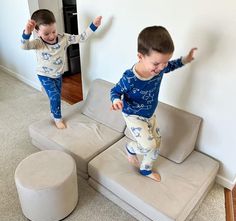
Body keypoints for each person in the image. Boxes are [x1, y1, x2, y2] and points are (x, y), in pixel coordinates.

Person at [110, 26, 197, 182]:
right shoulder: (130, 78)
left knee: (156, 143)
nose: (161, 68)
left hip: (149, 114)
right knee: (148, 145)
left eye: (165, 62)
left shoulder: (160, 67)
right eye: (156, 64)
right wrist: (116, 100)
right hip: (133, 115)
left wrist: (185, 59)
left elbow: (171, 66)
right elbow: (115, 91)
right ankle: (130, 148)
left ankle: (145, 169)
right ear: (140, 56)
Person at [21, 9, 102, 129]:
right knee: (55, 96)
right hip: (44, 75)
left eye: (53, 31)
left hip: (58, 74)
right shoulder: (38, 43)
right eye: (46, 34)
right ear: (37, 32)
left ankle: (53, 111)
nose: (51, 36)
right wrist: (26, 33)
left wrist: (94, 26)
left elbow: (82, 38)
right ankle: (57, 118)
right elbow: (24, 46)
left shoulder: (64, 38)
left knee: (56, 96)